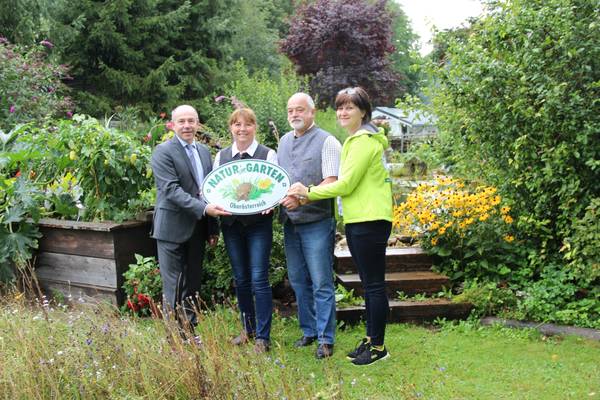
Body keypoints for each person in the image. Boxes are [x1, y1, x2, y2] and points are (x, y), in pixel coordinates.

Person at [287, 87, 393, 366]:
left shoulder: (362, 142)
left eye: (350, 107)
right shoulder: (357, 140)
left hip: (370, 219)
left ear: (363, 112)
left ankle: (379, 346)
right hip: (361, 219)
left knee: (374, 286)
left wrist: (306, 192)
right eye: (340, 107)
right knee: (370, 285)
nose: (343, 112)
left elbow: (345, 185)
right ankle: (371, 340)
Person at [151, 104, 230, 336]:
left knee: (193, 283)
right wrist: (206, 210)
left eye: (191, 121)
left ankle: (189, 330)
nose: (187, 126)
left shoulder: (205, 152)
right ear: (173, 124)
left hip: (197, 228)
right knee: (174, 285)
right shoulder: (163, 152)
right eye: (182, 121)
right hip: (171, 229)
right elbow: (171, 190)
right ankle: (173, 336)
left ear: (198, 124)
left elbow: (209, 191)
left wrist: (212, 228)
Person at [278, 93, 342, 359]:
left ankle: (326, 339)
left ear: (312, 112)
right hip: (290, 223)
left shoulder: (327, 141)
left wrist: (301, 199)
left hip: (316, 221)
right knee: (298, 280)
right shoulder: (282, 141)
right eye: (291, 110)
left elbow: (332, 182)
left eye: (300, 110)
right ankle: (309, 330)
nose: (295, 115)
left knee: (321, 282)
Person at [213, 107, 278, 353]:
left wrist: (270, 203)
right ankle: (248, 330)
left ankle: (263, 337)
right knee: (241, 279)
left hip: (258, 226)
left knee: (259, 278)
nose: (242, 129)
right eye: (237, 124)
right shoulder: (221, 157)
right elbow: (213, 188)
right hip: (231, 226)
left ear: (255, 127)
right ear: (231, 127)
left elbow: (275, 188)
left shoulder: (267, 154)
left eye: (248, 124)